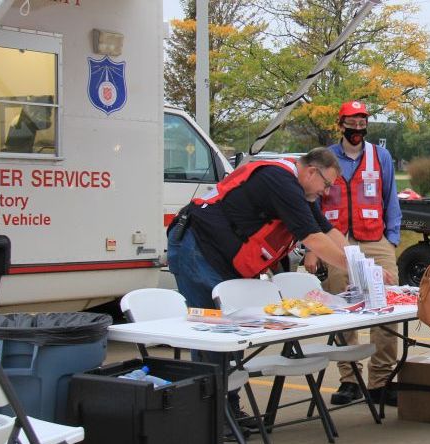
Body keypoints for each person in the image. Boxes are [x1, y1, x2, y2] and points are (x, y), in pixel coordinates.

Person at [166, 148, 351, 416]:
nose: (325, 192)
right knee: (215, 333)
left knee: (234, 331)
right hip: (197, 247)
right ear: (311, 171)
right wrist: (353, 269)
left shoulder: (302, 190)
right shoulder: (281, 180)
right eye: (326, 184)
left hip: (223, 256)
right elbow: (313, 238)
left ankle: (226, 409)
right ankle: (213, 416)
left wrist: (363, 264)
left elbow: (328, 230)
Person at [304, 100, 403, 407]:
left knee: (387, 305)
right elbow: (311, 203)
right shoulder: (325, 158)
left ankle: (381, 380)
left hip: (374, 238)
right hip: (334, 242)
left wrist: (392, 240)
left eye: (362, 123)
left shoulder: (380, 156)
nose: (357, 129)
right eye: (352, 122)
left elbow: (391, 198)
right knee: (342, 308)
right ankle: (350, 379)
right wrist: (312, 249)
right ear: (340, 124)